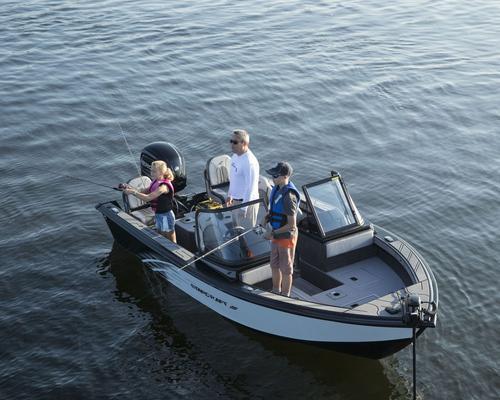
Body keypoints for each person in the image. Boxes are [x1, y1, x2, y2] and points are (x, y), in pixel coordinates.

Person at [263, 161, 300, 297]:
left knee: (286, 269)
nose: (273, 178)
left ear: (285, 176)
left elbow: (292, 225)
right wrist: (266, 218)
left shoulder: (289, 197)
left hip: (285, 237)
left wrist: (272, 233)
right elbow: (273, 210)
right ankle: (275, 291)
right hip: (275, 234)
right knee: (274, 264)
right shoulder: (277, 188)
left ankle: (285, 296)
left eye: (276, 175)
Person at [124, 160, 177, 243]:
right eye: (151, 170)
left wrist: (132, 192)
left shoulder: (163, 187)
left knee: (170, 238)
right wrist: (131, 189)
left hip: (166, 216)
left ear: (161, 172)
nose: (151, 173)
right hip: (158, 214)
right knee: (161, 235)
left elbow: (148, 198)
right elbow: (144, 191)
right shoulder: (155, 181)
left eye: (154, 171)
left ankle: (175, 254)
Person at [226, 129, 260, 227]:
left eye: (235, 142)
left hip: (247, 204)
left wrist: (244, 208)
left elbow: (251, 188)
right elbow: (233, 178)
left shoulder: (249, 162)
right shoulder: (235, 156)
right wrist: (230, 194)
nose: (232, 144)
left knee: (247, 235)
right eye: (231, 141)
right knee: (236, 231)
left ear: (244, 143)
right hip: (235, 201)